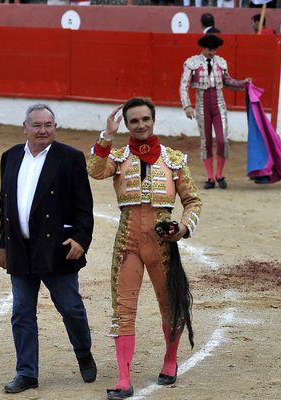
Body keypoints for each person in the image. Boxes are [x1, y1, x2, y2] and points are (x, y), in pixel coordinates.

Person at [87, 97, 201, 400]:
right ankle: (124, 379)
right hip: (128, 242)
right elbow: (95, 171)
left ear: (153, 120)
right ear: (127, 123)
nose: (140, 125)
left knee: (170, 305)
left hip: (162, 243)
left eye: (145, 119)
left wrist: (183, 228)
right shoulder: (119, 156)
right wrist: (106, 136)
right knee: (123, 310)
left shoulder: (174, 159)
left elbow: (192, 201)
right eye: (134, 120)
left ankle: (170, 360)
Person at [0, 104, 96, 393]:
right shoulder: (11, 157)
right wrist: (4, 245)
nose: (43, 130)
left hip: (57, 248)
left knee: (71, 308)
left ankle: (83, 352)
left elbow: (83, 207)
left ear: (55, 127)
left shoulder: (70, 158)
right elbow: (5, 205)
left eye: (49, 125)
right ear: (24, 127)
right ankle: (27, 372)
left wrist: (81, 239)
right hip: (20, 249)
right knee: (22, 311)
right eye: (37, 125)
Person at [180, 34, 251, 189]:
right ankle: (210, 177)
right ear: (203, 48)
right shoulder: (192, 63)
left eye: (214, 50)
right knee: (206, 141)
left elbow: (227, 82)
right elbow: (184, 86)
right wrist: (187, 106)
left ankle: (219, 174)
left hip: (219, 105)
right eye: (210, 50)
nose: (213, 53)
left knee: (222, 140)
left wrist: (242, 83)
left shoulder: (220, 62)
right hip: (202, 106)